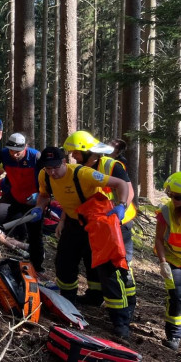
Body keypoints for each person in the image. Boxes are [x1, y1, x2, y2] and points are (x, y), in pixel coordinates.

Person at [33, 146, 134, 339]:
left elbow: (120, 183)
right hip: (73, 221)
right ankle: (68, 304)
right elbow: (45, 194)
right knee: (64, 263)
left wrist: (122, 206)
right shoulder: (44, 176)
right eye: (48, 168)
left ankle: (120, 321)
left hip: (97, 222)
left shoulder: (84, 174)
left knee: (108, 270)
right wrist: (39, 207)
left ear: (64, 162)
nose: (52, 172)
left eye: (55, 167)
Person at [63, 131, 137, 308]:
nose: (73, 155)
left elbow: (129, 190)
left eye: (76, 152)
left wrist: (121, 207)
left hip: (119, 222)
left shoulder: (112, 166)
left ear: (88, 152)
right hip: (96, 222)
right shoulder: (80, 170)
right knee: (93, 258)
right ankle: (95, 295)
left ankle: (129, 304)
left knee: (120, 263)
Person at [0, 133, 43, 270]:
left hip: (34, 200)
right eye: (12, 151)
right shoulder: (4, 154)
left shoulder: (36, 157)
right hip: (13, 195)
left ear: (26, 147)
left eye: (18, 152)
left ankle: (37, 266)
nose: (15, 155)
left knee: (35, 233)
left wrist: (41, 195)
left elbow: (48, 178)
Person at [155, 172, 181, 351]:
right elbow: (158, 239)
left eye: (178, 197)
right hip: (172, 261)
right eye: (171, 196)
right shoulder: (165, 211)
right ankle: (174, 335)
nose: (173, 201)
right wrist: (163, 262)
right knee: (177, 297)